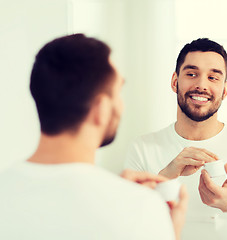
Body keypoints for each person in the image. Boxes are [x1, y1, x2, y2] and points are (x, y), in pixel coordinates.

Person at [0, 34, 187, 240]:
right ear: (101, 109)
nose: (122, 104)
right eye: (118, 92)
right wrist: (169, 231)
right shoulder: (140, 209)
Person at [124, 38, 227, 237]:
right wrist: (165, 177)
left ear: (225, 90)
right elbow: (127, 224)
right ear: (175, 81)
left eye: (213, 78)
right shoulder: (142, 148)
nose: (201, 85)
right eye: (191, 74)